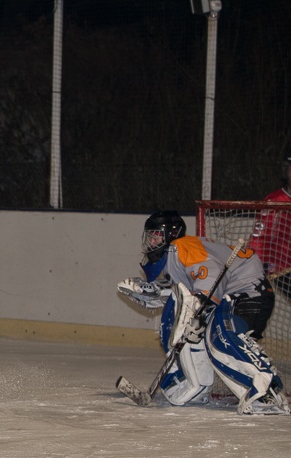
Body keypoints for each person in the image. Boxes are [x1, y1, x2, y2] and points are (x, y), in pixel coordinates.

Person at [117, 211, 287, 415]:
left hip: (248, 292)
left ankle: (267, 390)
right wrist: (151, 291)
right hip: (234, 294)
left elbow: (212, 273)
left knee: (222, 337)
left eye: (156, 235)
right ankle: (198, 386)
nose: (152, 241)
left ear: (171, 233)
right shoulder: (173, 257)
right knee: (213, 340)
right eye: (150, 236)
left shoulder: (181, 246)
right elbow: (182, 291)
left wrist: (200, 306)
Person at [252, 151, 291, 298]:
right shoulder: (275, 200)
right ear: (285, 171)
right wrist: (259, 262)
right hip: (283, 268)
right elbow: (259, 237)